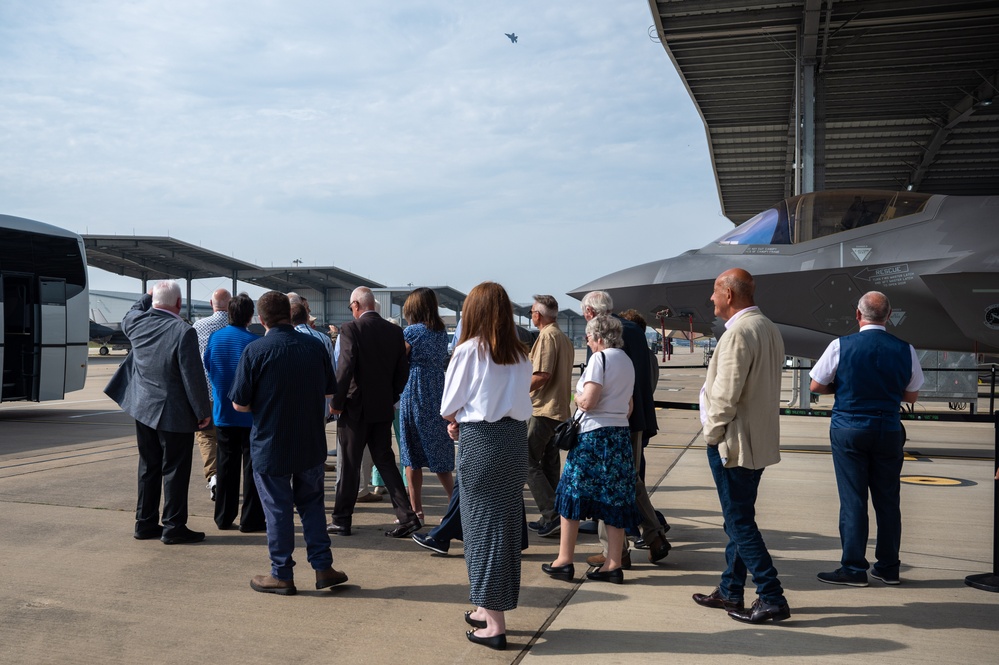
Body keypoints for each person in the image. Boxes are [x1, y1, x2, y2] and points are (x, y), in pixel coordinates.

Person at [229, 291, 346, 595]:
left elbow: (239, 405)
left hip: (271, 444)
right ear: (294, 314)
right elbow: (328, 392)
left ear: (261, 318)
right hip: (309, 442)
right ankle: (323, 568)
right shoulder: (315, 346)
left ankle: (281, 573)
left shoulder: (256, 351)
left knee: (278, 510)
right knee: (312, 506)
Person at [694, 268, 790, 624]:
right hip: (757, 442)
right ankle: (731, 589)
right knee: (739, 519)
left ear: (729, 295)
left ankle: (772, 596)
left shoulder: (738, 333)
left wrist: (711, 434)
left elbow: (725, 394)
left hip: (734, 444)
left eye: (714, 292)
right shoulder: (767, 327)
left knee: (739, 524)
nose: (711, 299)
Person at [441, 281, 532, 651]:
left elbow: (449, 404)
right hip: (513, 442)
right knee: (503, 527)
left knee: (482, 530)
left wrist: (457, 418)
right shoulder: (521, 353)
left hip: (482, 442)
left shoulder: (469, 351)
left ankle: (494, 623)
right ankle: (485, 605)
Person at [810, 291, 924, 586]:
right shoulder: (905, 348)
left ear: (858, 315)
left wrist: (845, 387)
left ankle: (853, 568)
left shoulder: (840, 345)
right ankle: (888, 566)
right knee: (888, 501)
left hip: (850, 427)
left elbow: (816, 385)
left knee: (853, 500)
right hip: (887, 428)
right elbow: (911, 395)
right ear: (888, 316)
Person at [104, 280, 211, 544]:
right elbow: (192, 377)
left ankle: (145, 522)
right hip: (173, 413)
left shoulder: (135, 323)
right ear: (178, 304)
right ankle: (174, 526)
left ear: (153, 301)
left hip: (142, 408)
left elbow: (132, 310)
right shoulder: (183, 331)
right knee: (175, 469)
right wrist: (202, 411)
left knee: (148, 466)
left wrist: (147, 296)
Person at [542, 315, 641, 585]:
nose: (587, 340)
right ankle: (613, 564)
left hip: (594, 437)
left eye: (588, 336)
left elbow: (589, 401)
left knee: (571, 494)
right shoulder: (626, 360)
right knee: (615, 499)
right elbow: (629, 406)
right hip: (619, 435)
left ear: (598, 336)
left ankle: (564, 560)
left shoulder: (600, 359)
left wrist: (576, 395)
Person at [580, 291, 671, 567]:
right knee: (630, 480)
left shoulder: (602, 334)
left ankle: (616, 552)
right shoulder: (633, 330)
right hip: (636, 415)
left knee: (608, 484)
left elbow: (597, 385)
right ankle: (653, 536)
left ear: (589, 313)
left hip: (611, 420)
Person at [328, 287, 419, 537]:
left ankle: (342, 519)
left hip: (355, 409)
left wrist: (336, 402)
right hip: (382, 408)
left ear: (356, 304)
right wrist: (391, 397)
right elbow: (403, 371)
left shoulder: (351, 329)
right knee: (386, 462)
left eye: (350, 307)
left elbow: (345, 368)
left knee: (349, 464)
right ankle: (407, 516)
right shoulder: (394, 332)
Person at [202, 293, 265, 532]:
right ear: (250, 316)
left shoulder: (215, 338)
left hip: (224, 413)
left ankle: (223, 517)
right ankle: (251, 519)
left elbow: (208, 366)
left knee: (226, 466)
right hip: (250, 415)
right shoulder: (254, 342)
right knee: (252, 467)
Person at [399, 287, 454, 518]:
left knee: (411, 453)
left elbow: (398, 359)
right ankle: (456, 505)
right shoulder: (441, 332)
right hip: (437, 389)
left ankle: (416, 509)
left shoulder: (412, 332)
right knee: (439, 449)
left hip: (415, 389)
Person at [525, 294, 574, 538]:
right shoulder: (563, 337)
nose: (530, 314)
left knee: (528, 460)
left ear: (538, 315)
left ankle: (551, 513)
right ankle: (556, 516)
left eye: (532, 311)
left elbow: (541, 374)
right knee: (549, 463)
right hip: (559, 409)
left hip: (544, 408)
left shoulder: (546, 336)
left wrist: (515, 390)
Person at [192, 288, 232, 500]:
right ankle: (229, 476)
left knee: (206, 436)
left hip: (206, 392)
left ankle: (214, 477)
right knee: (230, 438)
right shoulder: (237, 326)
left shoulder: (199, 326)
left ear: (211, 303)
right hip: (231, 394)